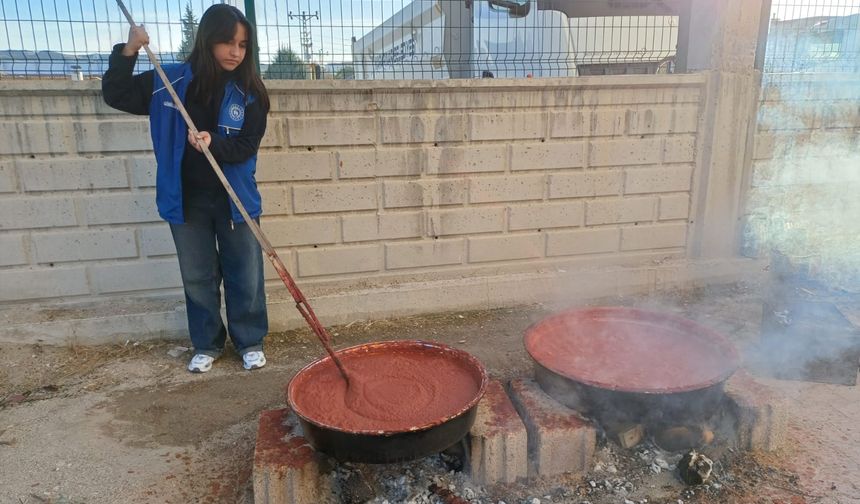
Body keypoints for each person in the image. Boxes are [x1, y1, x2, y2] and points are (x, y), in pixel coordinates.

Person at [103, 4, 271, 373]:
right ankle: (207, 343)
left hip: (235, 199)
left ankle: (249, 340)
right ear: (207, 40)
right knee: (197, 276)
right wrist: (129, 49)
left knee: (245, 273)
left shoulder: (251, 92)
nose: (235, 52)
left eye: (243, 45)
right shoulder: (169, 81)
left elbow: (246, 147)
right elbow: (117, 94)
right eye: (227, 42)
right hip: (185, 200)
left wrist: (213, 143)